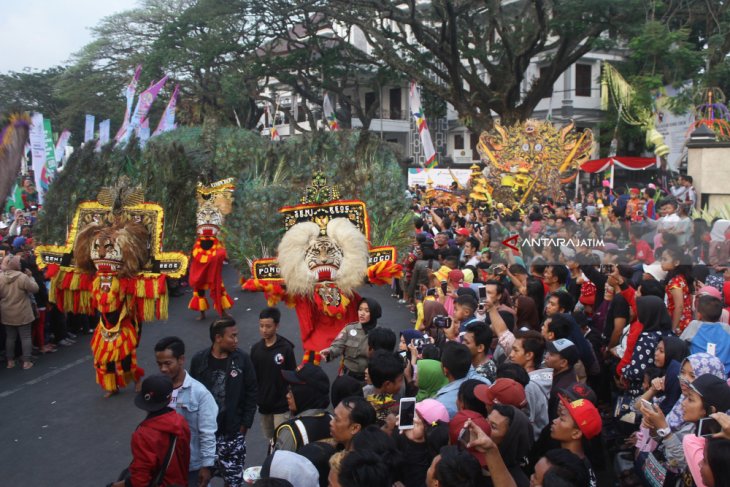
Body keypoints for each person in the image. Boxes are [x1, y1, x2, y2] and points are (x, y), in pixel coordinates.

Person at [190, 318, 258, 487]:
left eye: (236, 336)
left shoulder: (242, 359)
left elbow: (252, 392)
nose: (236, 340)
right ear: (218, 338)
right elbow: (192, 394)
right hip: (205, 435)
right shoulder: (199, 360)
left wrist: (243, 428)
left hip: (232, 433)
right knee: (201, 479)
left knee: (233, 481)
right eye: (232, 336)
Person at [154, 337, 218, 487]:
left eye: (167, 363)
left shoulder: (200, 393)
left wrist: (206, 466)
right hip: (164, 467)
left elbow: (207, 432)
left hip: (192, 468)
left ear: (181, 359)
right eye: (159, 364)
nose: (163, 369)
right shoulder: (156, 389)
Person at [109, 374, 191, 487]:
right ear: (170, 398)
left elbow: (140, 480)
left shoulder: (143, 434)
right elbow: (184, 457)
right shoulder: (181, 422)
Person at [250, 307, 297, 447]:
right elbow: (252, 377)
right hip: (264, 405)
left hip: (281, 405)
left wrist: (292, 399)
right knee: (270, 439)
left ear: (277, 326)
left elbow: (293, 375)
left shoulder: (286, 348)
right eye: (261, 326)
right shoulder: (256, 349)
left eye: (268, 326)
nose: (264, 330)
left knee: (282, 440)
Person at [275, 363, 332, 452]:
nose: (287, 395)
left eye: (291, 390)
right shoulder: (333, 420)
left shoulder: (291, 432)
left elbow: (278, 464)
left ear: (304, 394)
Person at [321, 297, 382, 381]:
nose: (362, 313)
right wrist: (330, 351)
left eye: (366, 311)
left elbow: (383, 357)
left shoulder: (380, 333)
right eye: (360, 310)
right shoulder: (349, 329)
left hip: (369, 379)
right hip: (348, 377)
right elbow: (337, 346)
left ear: (374, 313)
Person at [550, 395, 602, 487]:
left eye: (562, 419)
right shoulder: (580, 462)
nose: (554, 421)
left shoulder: (568, 473)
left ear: (576, 433)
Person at [0, 254, 39, 369]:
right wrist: (31, 277)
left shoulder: (1, 277)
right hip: (22, 311)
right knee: (25, 337)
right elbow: (35, 289)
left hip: (7, 311)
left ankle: (10, 361)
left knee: (10, 337)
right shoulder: (22, 277)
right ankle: (26, 361)